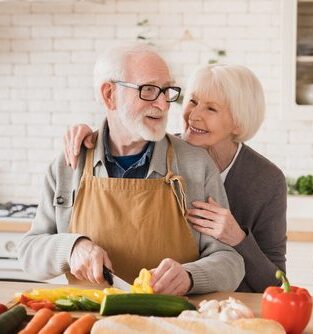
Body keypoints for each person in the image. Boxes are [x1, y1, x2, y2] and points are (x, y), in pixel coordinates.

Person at [18, 45, 245, 296]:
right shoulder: (68, 166)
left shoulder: (196, 164)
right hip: (90, 322)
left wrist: (191, 276)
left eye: (166, 90)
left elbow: (230, 261)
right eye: (148, 90)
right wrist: (71, 248)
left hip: (172, 322)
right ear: (109, 95)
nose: (163, 104)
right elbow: (29, 253)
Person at [64, 64, 287, 293]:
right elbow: (122, 132)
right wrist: (91, 137)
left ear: (238, 122)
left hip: (235, 305)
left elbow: (276, 284)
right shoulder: (162, 152)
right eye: (192, 101)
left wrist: (238, 238)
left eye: (211, 109)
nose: (194, 115)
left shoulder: (268, 181)